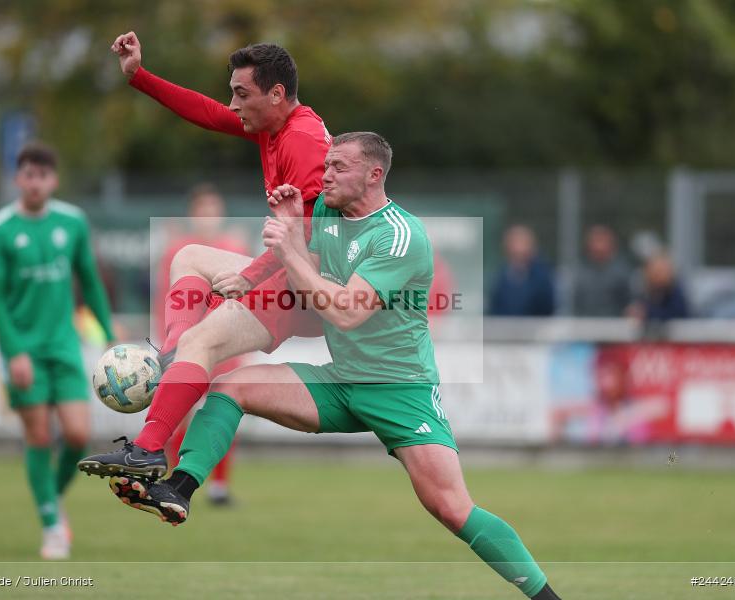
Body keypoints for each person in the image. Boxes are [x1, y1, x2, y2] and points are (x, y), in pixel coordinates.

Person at [109, 133, 561, 600]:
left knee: (450, 507)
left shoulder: (400, 235)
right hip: (340, 379)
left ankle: (547, 597)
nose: (324, 175)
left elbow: (345, 311)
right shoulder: (324, 211)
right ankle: (177, 489)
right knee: (229, 387)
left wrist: (288, 248)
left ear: (374, 174)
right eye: (325, 165)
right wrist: (283, 236)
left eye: (338, 167)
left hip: (399, 390)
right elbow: (294, 265)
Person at [78, 33, 331, 478]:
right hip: (299, 277)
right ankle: (173, 353)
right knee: (190, 257)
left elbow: (308, 231)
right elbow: (209, 113)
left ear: (276, 94)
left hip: (314, 289)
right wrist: (139, 76)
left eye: (241, 93)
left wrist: (252, 276)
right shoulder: (276, 127)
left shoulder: (302, 139)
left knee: (205, 344)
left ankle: (148, 447)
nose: (232, 104)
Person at [0, 142, 116, 560]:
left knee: (77, 434)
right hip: (25, 351)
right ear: (18, 179)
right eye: (27, 175)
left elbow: (89, 280)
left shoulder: (72, 222)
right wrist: (13, 352)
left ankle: (49, 498)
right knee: (38, 434)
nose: (34, 183)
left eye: (42, 175)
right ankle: (52, 526)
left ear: (53, 180)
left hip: (64, 347)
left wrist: (108, 334)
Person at [156, 184, 251, 505]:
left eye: (214, 210)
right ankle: (173, 479)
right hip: (190, 343)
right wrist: (170, 342)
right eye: (203, 210)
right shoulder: (179, 251)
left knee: (224, 412)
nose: (209, 217)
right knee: (180, 415)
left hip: (226, 344)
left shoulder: (232, 247)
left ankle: (219, 488)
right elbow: (168, 300)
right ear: (192, 215)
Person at [489, 225, 555, 316]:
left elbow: (547, 308)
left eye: (523, 242)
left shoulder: (542, 276)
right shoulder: (500, 276)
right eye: (515, 242)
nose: (519, 248)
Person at [573, 225, 633, 317]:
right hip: (583, 325)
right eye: (596, 241)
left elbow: (630, 304)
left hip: (614, 327)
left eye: (602, 241)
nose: (599, 246)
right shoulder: (578, 272)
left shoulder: (622, 273)